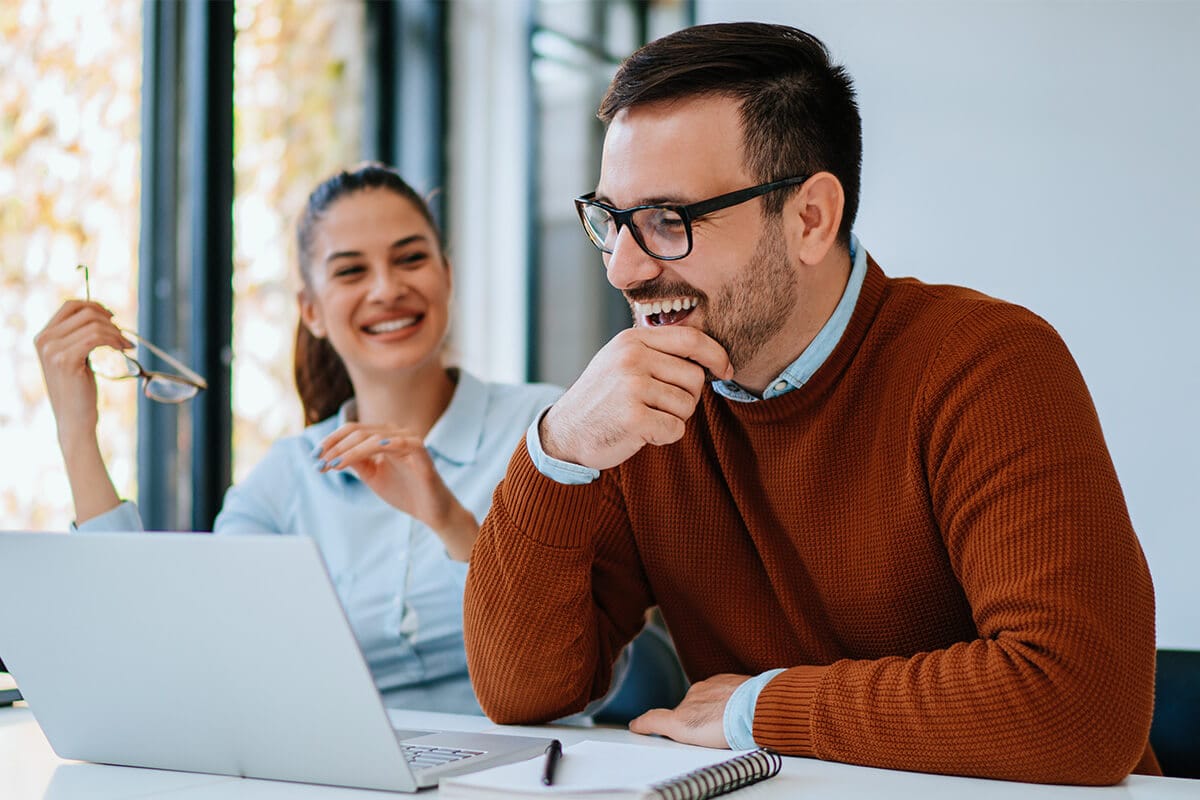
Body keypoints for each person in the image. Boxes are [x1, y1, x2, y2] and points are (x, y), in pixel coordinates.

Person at [462, 22, 1159, 784]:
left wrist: (757, 709)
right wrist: (557, 449)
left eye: (670, 221)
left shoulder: (986, 364)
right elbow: (521, 693)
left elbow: (1076, 704)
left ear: (809, 219)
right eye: (612, 220)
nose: (624, 269)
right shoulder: (650, 403)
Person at [34, 163, 562, 714]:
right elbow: (160, 651)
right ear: (311, 310)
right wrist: (76, 433)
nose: (387, 289)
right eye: (351, 271)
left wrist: (452, 523)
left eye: (410, 258)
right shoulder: (285, 479)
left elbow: (580, 645)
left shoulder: (545, 430)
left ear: (447, 276)